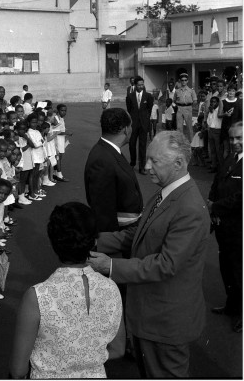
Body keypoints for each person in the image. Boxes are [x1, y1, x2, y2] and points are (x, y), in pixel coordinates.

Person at [89, 131, 210, 378]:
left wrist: (109, 266)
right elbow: (140, 234)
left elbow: (166, 264)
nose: (146, 167)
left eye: (155, 161)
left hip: (165, 323)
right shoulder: (167, 191)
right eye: (147, 159)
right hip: (150, 317)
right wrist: (93, 241)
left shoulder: (190, 208)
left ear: (178, 163)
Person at [10, 202, 124, 379]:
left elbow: (18, 370)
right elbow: (117, 349)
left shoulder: (38, 296)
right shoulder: (111, 288)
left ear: (53, 242)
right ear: (94, 241)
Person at [207, 122, 242, 333]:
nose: (235, 142)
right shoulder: (230, 158)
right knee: (226, 268)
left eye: (239, 138)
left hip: (239, 227)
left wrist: (216, 206)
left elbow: (240, 198)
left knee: (239, 271)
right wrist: (211, 203)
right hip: (224, 227)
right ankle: (231, 305)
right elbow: (216, 183)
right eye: (232, 138)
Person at [84, 108, 143, 232]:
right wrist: (110, 245)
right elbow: (103, 210)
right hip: (120, 235)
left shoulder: (108, 150)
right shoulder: (101, 159)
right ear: (126, 129)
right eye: (130, 126)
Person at [126, 75, 153, 175]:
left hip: (143, 124)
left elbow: (149, 109)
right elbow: (129, 109)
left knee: (142, 146)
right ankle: (132, 163)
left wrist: (145, 119)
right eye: (139, 85)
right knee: (132, 144)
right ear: (135, 85)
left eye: (142, 84)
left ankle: (142, 167)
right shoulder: (130, 96)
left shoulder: (148, 96)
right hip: (133, 124)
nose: (141, 86)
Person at [173, 73, 197, 142]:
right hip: (180, 108)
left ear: (187, 81)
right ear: (180, 81)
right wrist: (178, 106)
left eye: (185, 80)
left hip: (188, 108)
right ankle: (180, 142)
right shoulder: (177, 91)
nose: (184, 82)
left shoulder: (191, 91)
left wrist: (190, 107)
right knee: (179, 127)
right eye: (182, 80)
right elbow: (174, 100)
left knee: (189, 127)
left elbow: (195, 101)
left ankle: (191, 142)